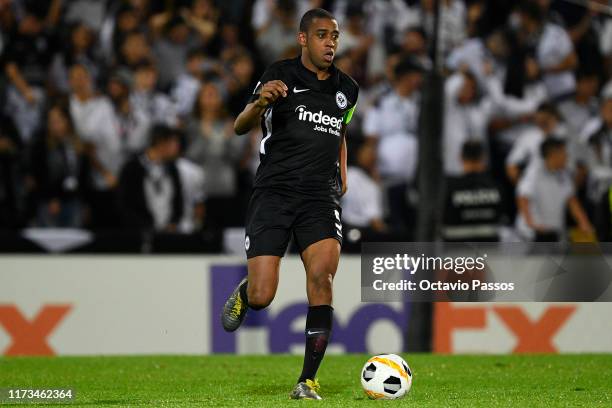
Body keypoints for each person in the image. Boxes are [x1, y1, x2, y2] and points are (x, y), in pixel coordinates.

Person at [220, 8, 359, 400]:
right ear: (303, 39)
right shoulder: (279, 74)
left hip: (320, 196)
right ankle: (247, 293)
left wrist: (343, 170)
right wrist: (261, 101)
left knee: (323, 279)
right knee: (265, 297)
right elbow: (240, 125)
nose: (330, 42)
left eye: (335, 35)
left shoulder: (347, 87)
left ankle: (307, 381)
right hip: (275, 192)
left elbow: (341, 128)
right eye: (321, 35)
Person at [516, 138, 592, 242]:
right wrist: (529, 222)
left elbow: (572, 201)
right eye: (564, 153)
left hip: (552, 233)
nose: (567, 157)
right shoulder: (534, 172)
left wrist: (584, 223)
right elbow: (522, 196)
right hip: (532, 234)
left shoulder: (564, 174)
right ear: (554, 154)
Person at [117, 125, 183, 231]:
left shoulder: (172, 169)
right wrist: (143, 226)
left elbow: (178, 200)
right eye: (173, 142)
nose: (177, 147)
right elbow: (125, 204)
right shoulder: (132, 168)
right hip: (140, 233)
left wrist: (173, 222)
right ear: (160, 142)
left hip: (168, 233)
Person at [442, 141, 502, 242]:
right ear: (483, 158)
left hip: (455, 251)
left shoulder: (448, 187)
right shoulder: (497, 187)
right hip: (489, 250)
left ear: (461, 157)